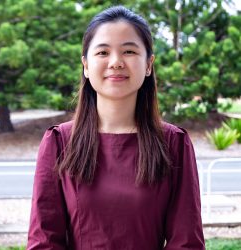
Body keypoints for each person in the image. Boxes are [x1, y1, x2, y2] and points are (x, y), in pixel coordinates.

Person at [27, 5, 205, 250]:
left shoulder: (174, 143)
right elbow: (44, 242)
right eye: (102, 52)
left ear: (149, 64)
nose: (116, 62)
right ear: (86, 66)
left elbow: (186, 243)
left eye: (129, 51)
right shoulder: (59, 142)